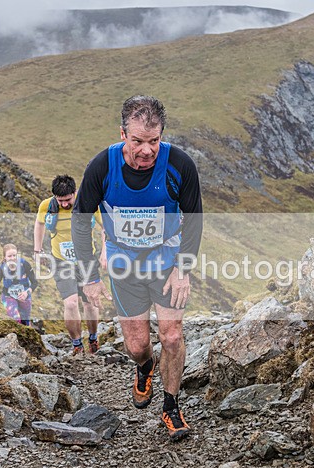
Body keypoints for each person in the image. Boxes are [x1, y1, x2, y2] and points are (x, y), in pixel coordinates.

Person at [72, 95, 203, 441]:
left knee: (172, 336)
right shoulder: (102, 167)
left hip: (166, 261)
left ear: (162, 135)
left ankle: (171, 406)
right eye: (138, 141)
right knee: (136, 345)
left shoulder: (179, 165)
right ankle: (145, 367)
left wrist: (183, 269)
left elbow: (194, 219)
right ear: (122, 135)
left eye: (154, 141)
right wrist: (89, 277)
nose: (147, 150)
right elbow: (80, 221)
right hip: (123, 264)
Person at [34, 175, 106, 355]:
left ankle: (93, 338)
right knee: (71, 303)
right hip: (61, 261)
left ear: (75, 193)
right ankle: (77, 345)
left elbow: (106, 227)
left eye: (68, 200)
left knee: (89, 303)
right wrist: (37, 250)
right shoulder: (46, 206)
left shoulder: (89, 204)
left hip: (86, 260)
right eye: (60, 201)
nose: (64, 204)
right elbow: (39, 224)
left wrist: (105, 252)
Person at [0, 243, 37, 326]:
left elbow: (34, 282)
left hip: (24, 297)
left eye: (14, 255)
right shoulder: (1, 268)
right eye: (9, 256)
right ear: (4, 257)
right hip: (8, 296)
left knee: (25, 322)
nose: (12, 258)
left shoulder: (24, 264)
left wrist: (26, 293)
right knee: (16, 319)